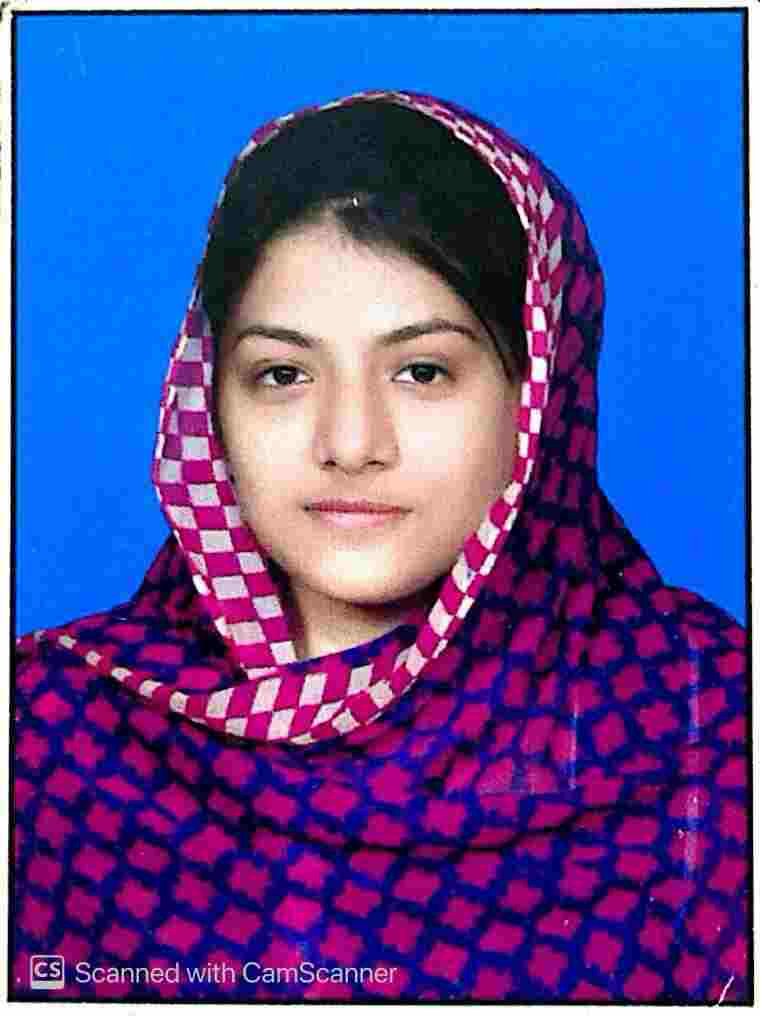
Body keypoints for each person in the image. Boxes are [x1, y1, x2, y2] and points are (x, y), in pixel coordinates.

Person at [12, 91, 748, 1002]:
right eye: (283, 374)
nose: (351, 442)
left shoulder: (709, 726)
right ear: (212, 402)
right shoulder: (51, 732)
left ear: (538, 394)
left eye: (422, 371)